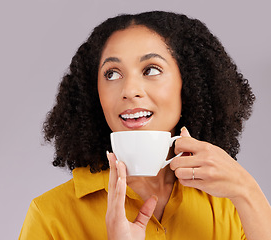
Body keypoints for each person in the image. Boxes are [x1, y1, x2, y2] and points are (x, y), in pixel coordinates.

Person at [19, 11, 271, 239]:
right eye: (112, 74)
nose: (129, 91)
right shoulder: (49, 215)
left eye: (151, 69)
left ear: (191, 83)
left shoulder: (230, 203)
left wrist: (248, 191)